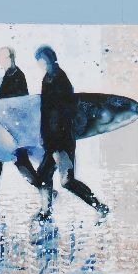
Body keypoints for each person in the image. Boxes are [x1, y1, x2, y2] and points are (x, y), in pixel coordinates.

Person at [34, 45, 109, 221]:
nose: (41, 65)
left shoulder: (60, 80)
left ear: (50, 59)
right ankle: (46, 211)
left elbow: (64, 113)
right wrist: (45, 137)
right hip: (52, 140)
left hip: (61, 140)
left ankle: (99, 206)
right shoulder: (48, 79)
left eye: (42, 61)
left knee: (67, 181)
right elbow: (46, 111)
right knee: (44, 175)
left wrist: (56, 143)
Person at [0, 47, 41, 203]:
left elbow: (18, 101)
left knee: (20, 162)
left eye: (2, 57)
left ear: (10, 57)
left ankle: (43, 188)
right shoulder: (9, 75)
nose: (0, 60)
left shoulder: (17, 75)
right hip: (9, 127)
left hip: (14, 129)